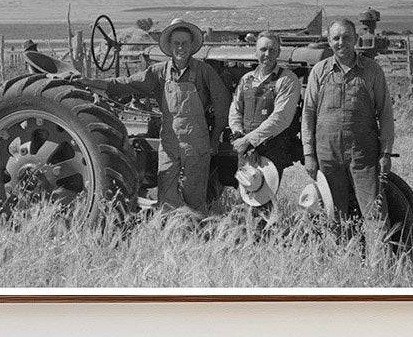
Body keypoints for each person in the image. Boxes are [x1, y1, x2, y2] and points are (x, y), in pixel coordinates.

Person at [78, 18, 229, 213]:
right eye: (176, 43)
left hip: (196, 145)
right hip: (169, 142)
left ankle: (196, 235)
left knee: (194, 196)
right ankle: (170, 234)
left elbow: (222, 102)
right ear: (170, 46)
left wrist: (215, 138)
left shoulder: (204, 71)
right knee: (166, 195)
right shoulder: (159, 72)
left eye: (185, 43)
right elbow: (129, 83)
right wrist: (93, 82)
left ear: (192, 46)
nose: (181, 47)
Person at [301, 18, 395, 225]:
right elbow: (308, 114)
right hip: (327, 154)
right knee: (333, 213)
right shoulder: (319, 71)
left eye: (346, 37)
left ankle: (378, 257)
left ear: (356, 39)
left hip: (363, 154)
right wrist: (308, 153)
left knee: (375, 212)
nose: (341, 42)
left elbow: (386, 113)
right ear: (329, 41)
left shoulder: (372, 70)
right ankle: (341, 255)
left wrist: (386, 152)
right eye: (336, 38)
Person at [228, 31, 302, 178]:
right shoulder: (246, 79)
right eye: (263, 49)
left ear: (279, 52)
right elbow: (235, 110)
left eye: (272, 50)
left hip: (272, 149)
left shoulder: (287, 80)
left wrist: (249, 141)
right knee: (248, 190)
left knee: (267, 194)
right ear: (255, 52)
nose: (267, 54)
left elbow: (280, 118)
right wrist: (239, 137)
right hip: (245, 148)